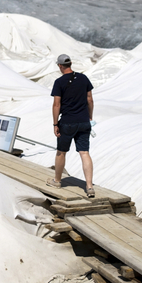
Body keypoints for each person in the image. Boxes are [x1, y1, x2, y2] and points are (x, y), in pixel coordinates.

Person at [47, 54, 95, 198]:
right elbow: (90, 99)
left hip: (67, 122)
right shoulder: (83, 78)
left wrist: (55, 123)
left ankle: (57, 181)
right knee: (84, 152)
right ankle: (89, 186)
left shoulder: (59, 82)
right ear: (71, 63)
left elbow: (56, 104)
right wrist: (90, 116)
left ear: (60, 66)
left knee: (61, 151)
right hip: (83, 121)